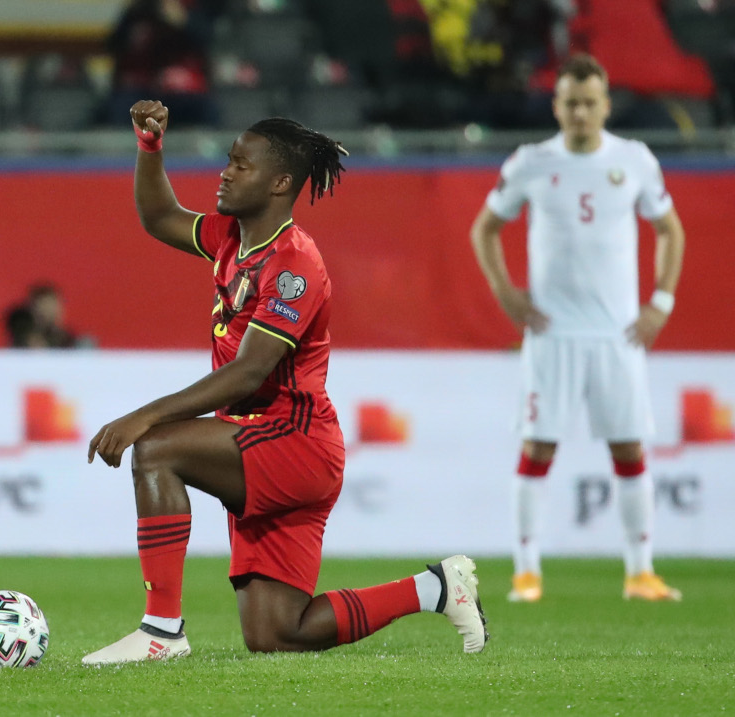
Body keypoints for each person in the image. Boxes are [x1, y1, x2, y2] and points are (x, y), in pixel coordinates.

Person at [82, 99, 488, 665]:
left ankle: (161, 631)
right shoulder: (230, 237)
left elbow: (249, 371)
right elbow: (158, 216)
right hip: (256, 443)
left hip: (292, 444)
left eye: (240, 165)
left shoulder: (295, 264)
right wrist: (150, 148)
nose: (224, 173)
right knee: (278, 633)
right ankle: (436, 588)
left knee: (155, 451)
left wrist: (144, 415)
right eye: (228, 161)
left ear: (279, 182)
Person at [469, 53, 686, 603]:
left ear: (606, 105)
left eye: (590, 103)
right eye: (571, 103)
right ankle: (527, 572)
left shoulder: (635, 160)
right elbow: (485, 228)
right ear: (557, 106)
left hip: (618, 335)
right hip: (553, 334)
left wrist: (660, 301)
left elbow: (670, 230)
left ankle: (640, 572)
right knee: (538, 448)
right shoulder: (531, 162)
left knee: (630, 448)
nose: (581, 112)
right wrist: (505, 292)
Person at [4, 284, 94, 349]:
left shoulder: (67, 338)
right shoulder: (23, 337)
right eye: (44, 305)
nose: (49, 310)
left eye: (53, 305)